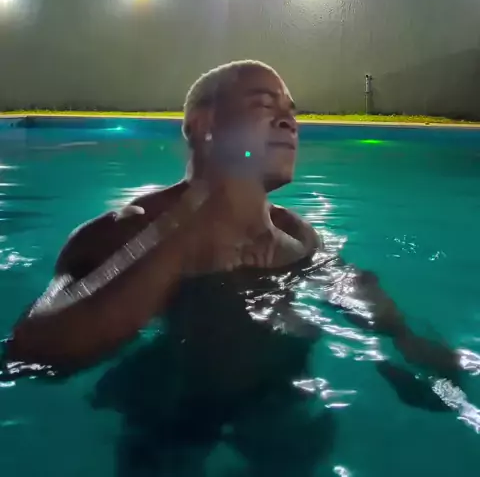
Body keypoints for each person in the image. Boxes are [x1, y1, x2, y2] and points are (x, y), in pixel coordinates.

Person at [4, 61, 462, 473]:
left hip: (278, 400)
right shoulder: (123, 232)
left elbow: (354, 294)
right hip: (167, 407)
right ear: (203, 126)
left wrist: (404, 341)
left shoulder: (297, 236)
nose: (289, 122)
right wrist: (180, 243)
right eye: (264, 105)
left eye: (292, 112)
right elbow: (32, 353)